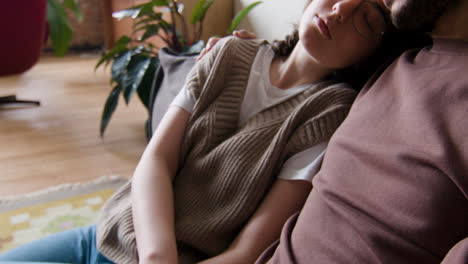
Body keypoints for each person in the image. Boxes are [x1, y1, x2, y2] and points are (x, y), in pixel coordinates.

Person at [0, 0, 400, 264]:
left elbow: (248, 250)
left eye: (366, 18)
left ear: (373, 54)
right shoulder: (229, 53)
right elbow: (156, 159)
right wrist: (158, 257)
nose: (341, 8)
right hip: (111, 234)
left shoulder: (329, 111)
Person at [226, 0, 466, 263]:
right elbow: (315, 60)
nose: (341, 8)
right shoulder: (395, 66)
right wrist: (249, 55)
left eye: (367, 19)